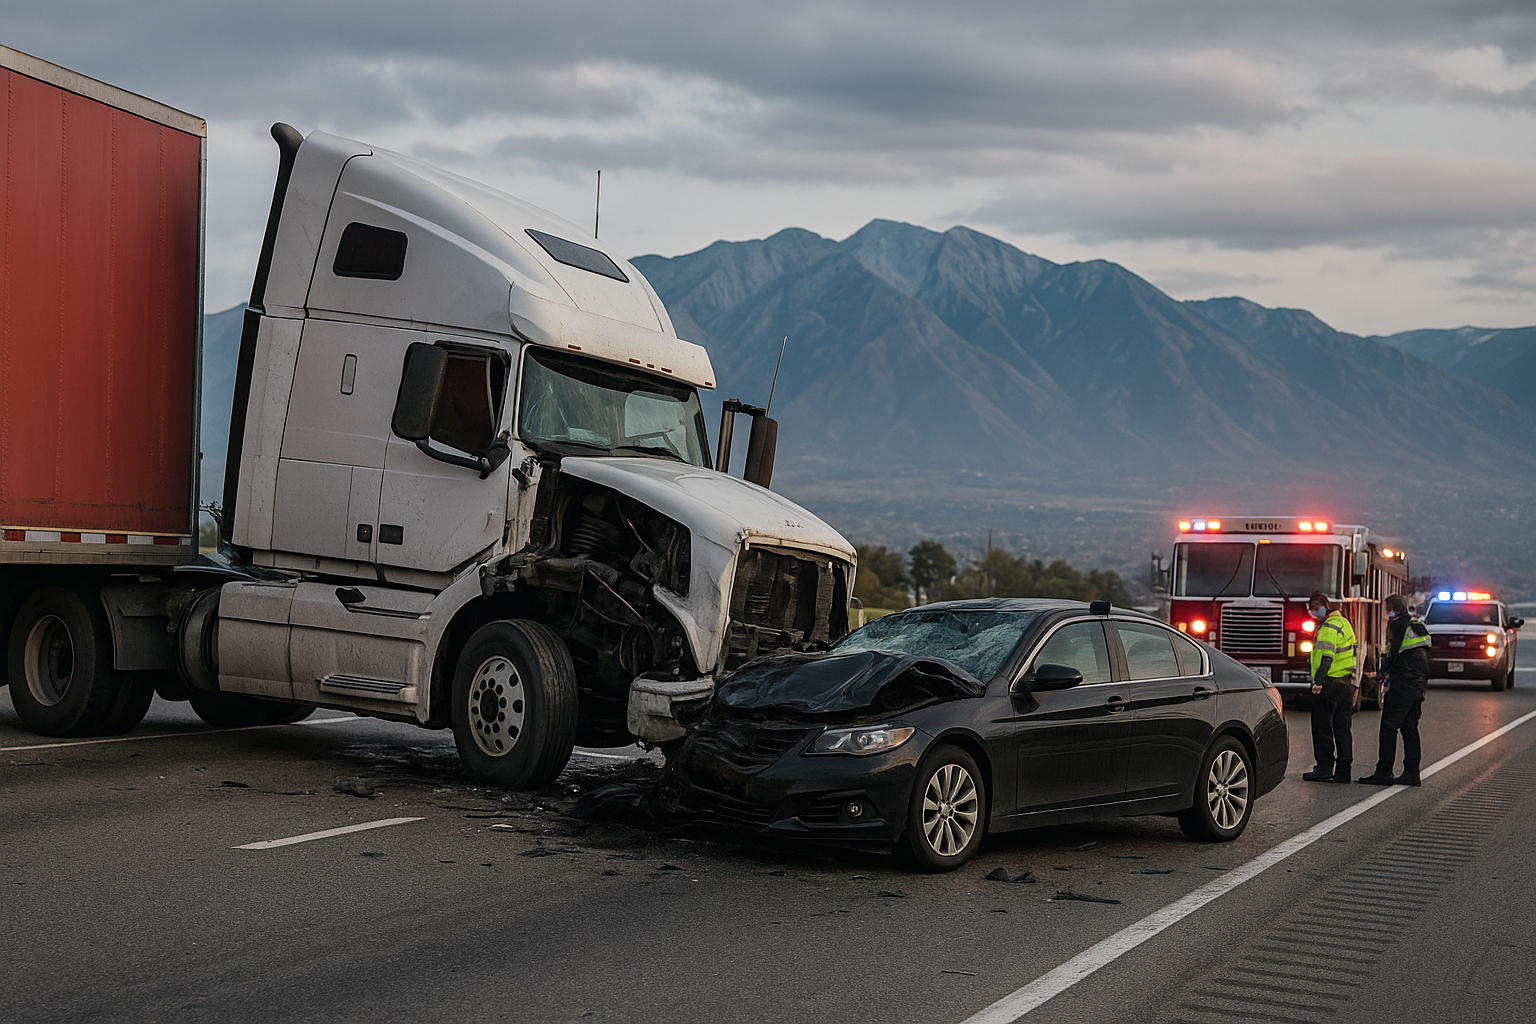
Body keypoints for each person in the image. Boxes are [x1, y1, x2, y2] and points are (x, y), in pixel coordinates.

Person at [1358, 593, 1429, 786]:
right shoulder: (1417, 625)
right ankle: (1412, 772)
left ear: (1393, 610)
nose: (1383, 614)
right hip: (1418, 683)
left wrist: (1382, 676)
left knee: (1388, 727)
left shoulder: (1398, 627)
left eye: (1385, 610)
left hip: (1403, 684)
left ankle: (1384, 771)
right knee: (1409, 728)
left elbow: (1393, 656)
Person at [1301, 591, 1358, 782]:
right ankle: (1344, 770)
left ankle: (1324, 766)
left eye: (1316, 607)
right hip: (1346, 683)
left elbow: (1327, 657)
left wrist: (1318, 681)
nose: (1314, 612)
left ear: (1324, 605)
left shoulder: (1328, 627)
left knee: (1322, 726)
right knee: (1343, 728)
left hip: (1330, 683)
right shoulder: (1344, 623)